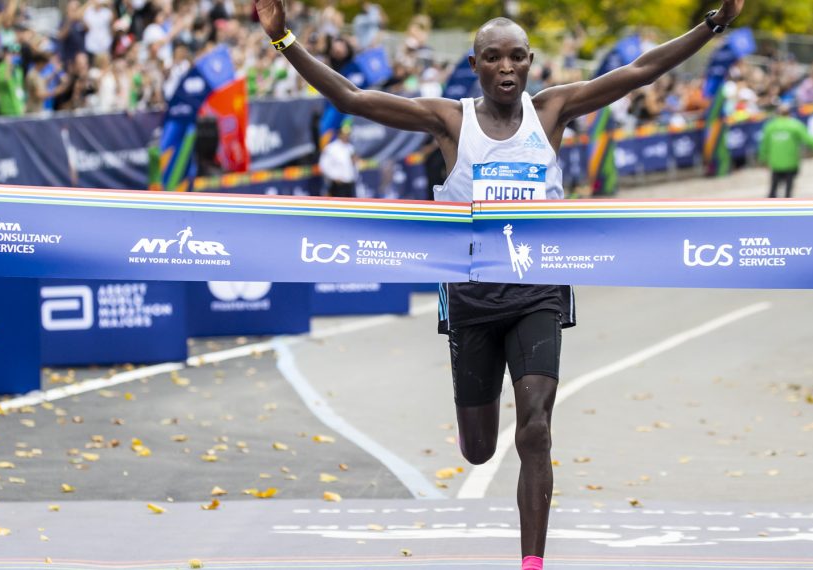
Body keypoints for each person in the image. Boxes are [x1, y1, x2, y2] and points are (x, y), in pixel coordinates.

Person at [252, 1, 745, 568]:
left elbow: (640, 71)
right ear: (475, 65)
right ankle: (478, 425)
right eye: (492, 57)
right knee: (480, 449)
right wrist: (283, 38)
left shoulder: (552, 111)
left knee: (535, 427)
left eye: (516, 57)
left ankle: (531, 563)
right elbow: (353, 100)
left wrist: (713, 23)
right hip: (472, 297)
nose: (505, 67)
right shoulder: (450, 121)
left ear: (531, 63)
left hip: (537, 290)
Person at [758, 102, 813, 198]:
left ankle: (768, 209)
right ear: (789, 113)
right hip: (790, 163)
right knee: (788, 190)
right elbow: (809, 140)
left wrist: (763, 159)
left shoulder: (770, 126)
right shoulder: (795, 125)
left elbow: (764, 145)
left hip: (775, 163)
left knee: (773, 189)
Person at [318, 121, 358, 198]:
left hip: (350, 184)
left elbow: (353, 166)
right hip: (338, 185)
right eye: (344, 134)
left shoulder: (350, 148)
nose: (346, 136)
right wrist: (334, 177)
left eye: (348, 134)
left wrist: (355, 162)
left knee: (351, 208)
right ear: (339, 134)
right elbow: (323, 165)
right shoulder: (331, 148)